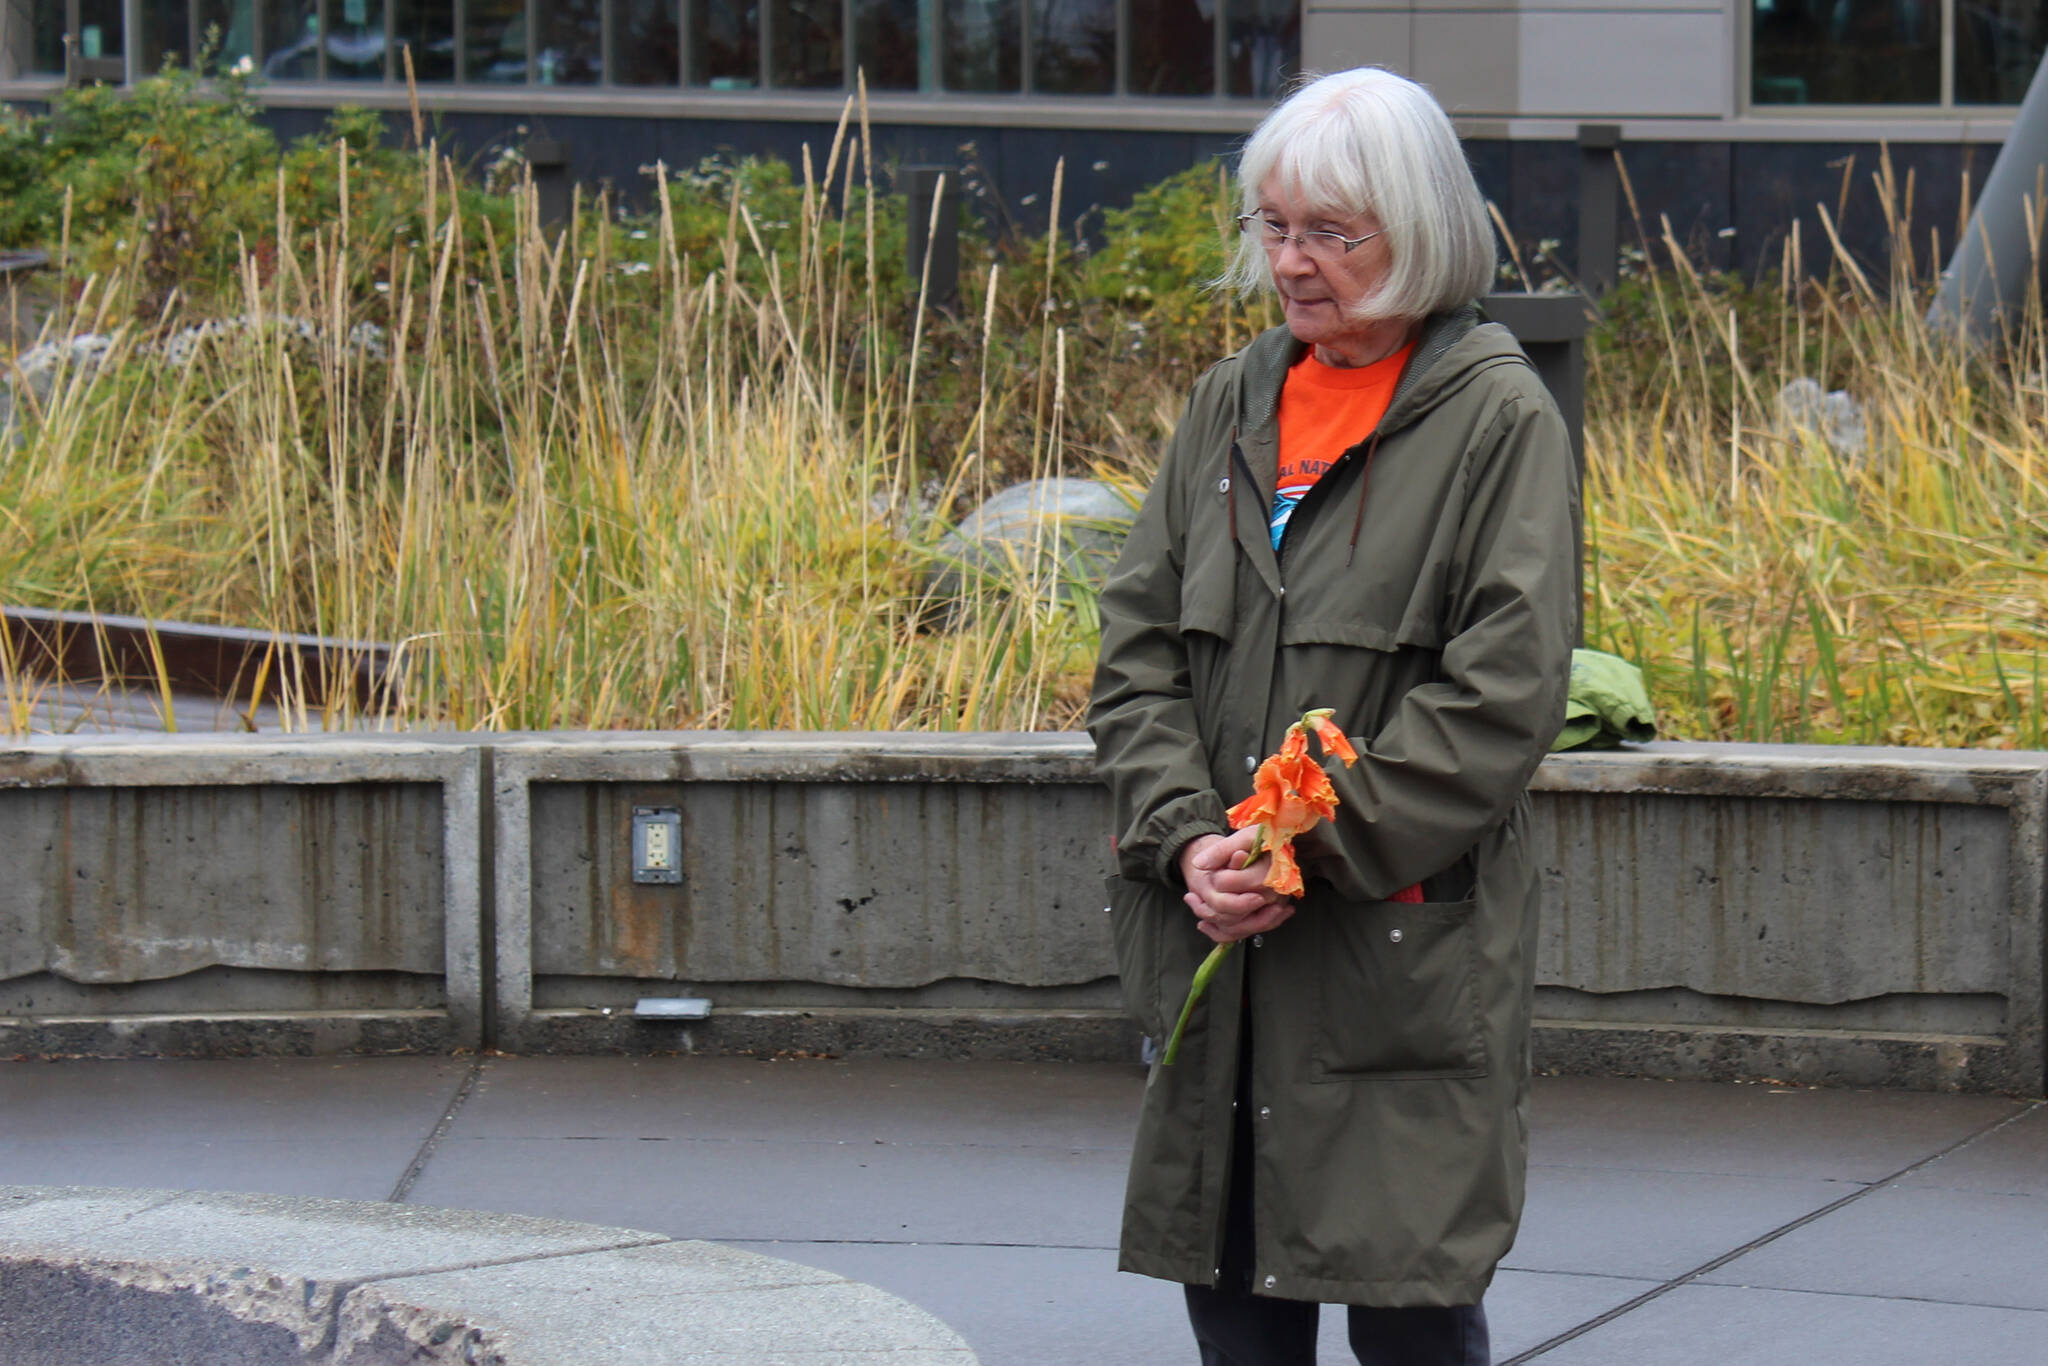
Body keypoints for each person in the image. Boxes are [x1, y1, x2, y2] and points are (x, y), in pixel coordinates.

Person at [1086, 67, 1578, 1366]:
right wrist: (1191, 837)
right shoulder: (1232, 405)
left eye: (1330, 233)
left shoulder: (1495, 418)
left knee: (1414, 1326)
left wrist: (1300, 845)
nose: (1292, 264)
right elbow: (1134, 652)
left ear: (1413, 230)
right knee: (1238, 1323)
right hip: (1227, 963)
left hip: (1392, 981)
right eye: (1276, 227)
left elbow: (1502, 695)